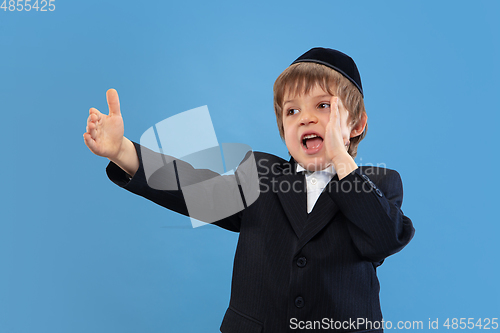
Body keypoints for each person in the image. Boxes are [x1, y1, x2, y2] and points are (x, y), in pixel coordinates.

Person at [83, 47, 415, 333]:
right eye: (292, 111)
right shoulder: (261, 172)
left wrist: (342, 162)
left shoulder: (382, 184)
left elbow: (382, 239)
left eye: (323, 106)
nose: (306, 118)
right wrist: (122, 151)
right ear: (283, 127)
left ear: (356, 125)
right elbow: (194, 187)